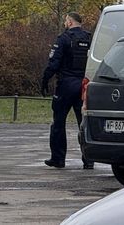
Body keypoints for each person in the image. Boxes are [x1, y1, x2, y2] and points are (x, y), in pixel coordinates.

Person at [42, 12, 94, 169]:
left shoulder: (63, 38)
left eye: (66, 21)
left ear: (70, 22)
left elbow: (54, 63)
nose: (65, 23)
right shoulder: (90, 39)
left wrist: (45, 80)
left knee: (58, 122)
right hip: (83, 86)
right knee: (84, 123)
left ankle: (58, 159)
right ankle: (89, 160)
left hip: (65, 86)